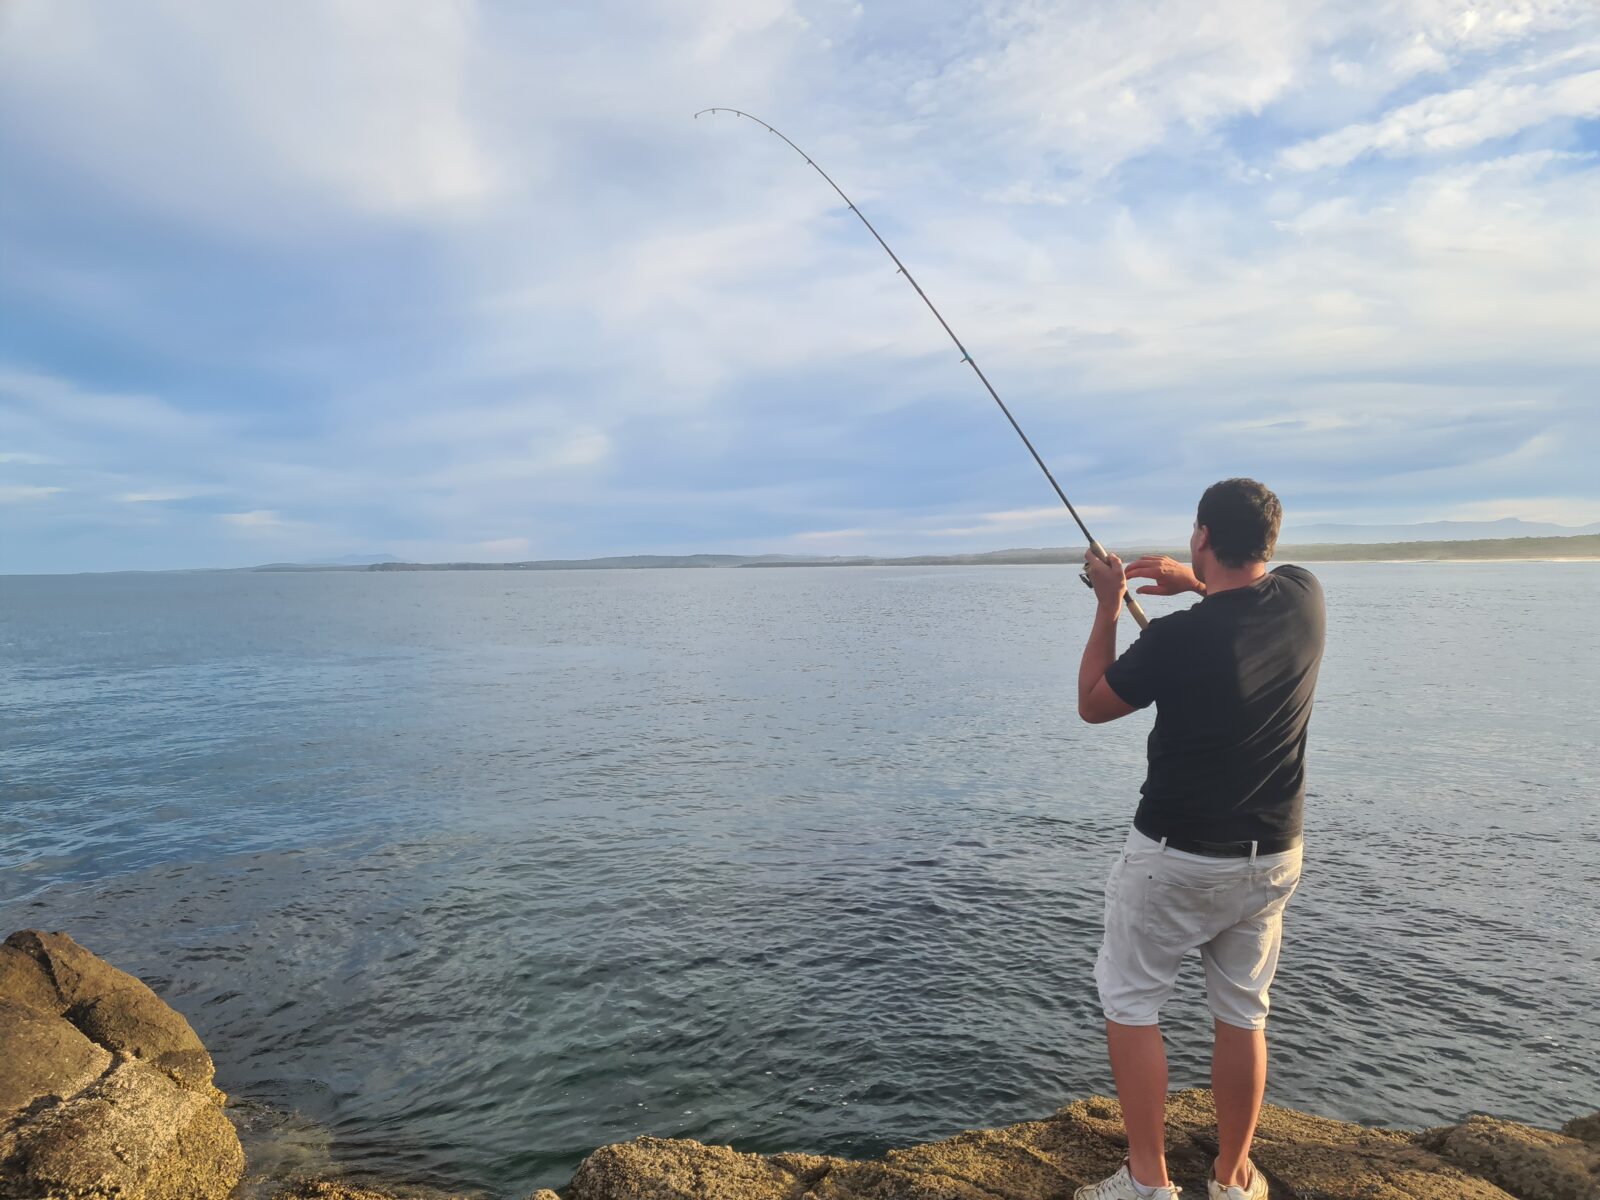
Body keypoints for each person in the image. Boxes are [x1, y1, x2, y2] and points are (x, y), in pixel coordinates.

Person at [1070, 478, 1326, 1200]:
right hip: (1274, 855)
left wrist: (1107, 606)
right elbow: (1242, 608)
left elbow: (1094, 704)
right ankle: (1233, 1176)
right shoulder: (1305, 597)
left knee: (1131, 1001)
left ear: (1203, 536)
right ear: (1270, 541)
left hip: (1178, 855)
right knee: (1243, 1012)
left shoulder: (1180, 638)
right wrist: (1198, 588)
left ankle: (1148, 1180)